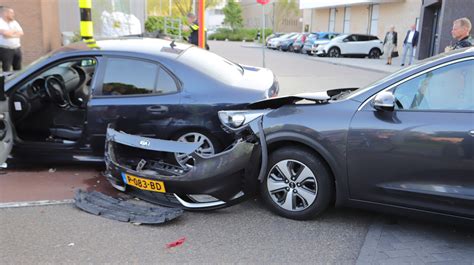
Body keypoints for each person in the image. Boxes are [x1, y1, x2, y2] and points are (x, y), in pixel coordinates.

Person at [0, 6, 23, 72]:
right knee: (7, 69)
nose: (13, 14)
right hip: (5, 50)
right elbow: (5, 34)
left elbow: (21, 33)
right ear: (5, 13)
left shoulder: (14, 22)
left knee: (18, 69)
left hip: (17, 49)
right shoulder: (0, 22)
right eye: (11, 13)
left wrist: (10, 33)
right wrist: (15, 31)